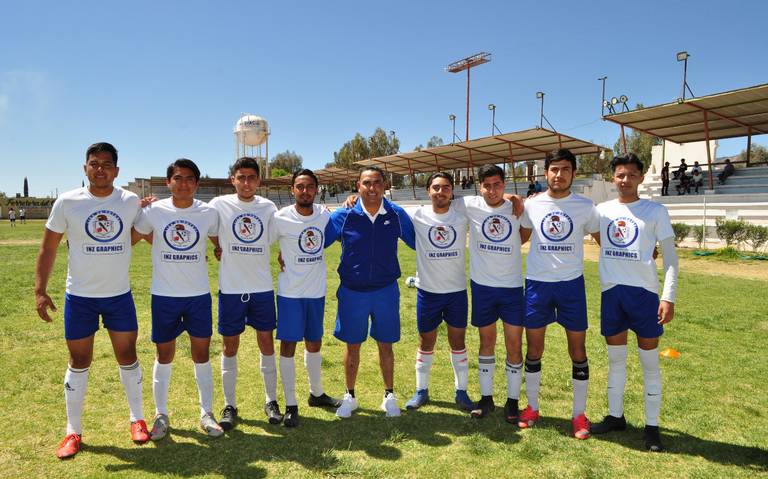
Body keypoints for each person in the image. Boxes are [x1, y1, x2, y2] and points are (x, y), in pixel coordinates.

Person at [35, 142, 149, 459]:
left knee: (127, 353)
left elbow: (141, 232)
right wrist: (40, 289)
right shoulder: (68, 202)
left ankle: (137, 419)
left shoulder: (130, 201)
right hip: (80, 298)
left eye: (107, 164)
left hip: (119, 296)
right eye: (94, 163)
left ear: (117, 170)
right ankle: (73, 432)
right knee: (79, 360)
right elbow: (49, 248)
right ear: (85, 168)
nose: (100, 169)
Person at [590, 153, 678, 452]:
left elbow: (671, 259)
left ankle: (652, 428)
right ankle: (616, 417)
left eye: (630, 175)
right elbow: (576, 217)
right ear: (613, 178)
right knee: (615, 362)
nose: (624, 180)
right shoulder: (601, 210)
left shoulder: (655, 211)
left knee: (649, 364)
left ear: (641, 177)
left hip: (644, 296)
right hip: (612, 293)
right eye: (619, 175)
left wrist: (668, 296)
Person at [133, 158, 223, 440]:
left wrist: (218, 249)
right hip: (165, 295)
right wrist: (134, 209)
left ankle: (206, 413)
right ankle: (161, 414)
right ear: (168, 182)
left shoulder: (208, 213)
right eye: (177, 178)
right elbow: (134, 236)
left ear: (196, 184)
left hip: (197, 295)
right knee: (164, 355)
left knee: (201, 354)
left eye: (189, 179)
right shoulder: (154, 211)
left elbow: (217, 239)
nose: (183, 183)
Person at [518, 148, 600, 440]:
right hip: (538, 285)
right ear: (545, 173)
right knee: (534, 349)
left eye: (565, 169)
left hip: (571, 285)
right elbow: (518, 239)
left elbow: (605, 241)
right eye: (554, 169)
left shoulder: (586, 206)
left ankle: (579, 415)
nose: (559, 174)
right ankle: (533, 407)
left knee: (577, 350)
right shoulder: (533, 205)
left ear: (573, 173)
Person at [324, 166, 415, 418]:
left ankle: (389, 395)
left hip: (385, 291)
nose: (371, 188)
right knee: (352, 346)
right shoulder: (343, 215)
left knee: (386, 345)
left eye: (376, 182)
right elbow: (314, 241)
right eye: (366, 183)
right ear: (358, 186)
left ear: (384, 185)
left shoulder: (396, 214)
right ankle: (349, 396)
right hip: (352, 292)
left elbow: (421, 242)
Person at [208, 156, 283, 429]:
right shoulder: (219, 204)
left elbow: (280, 235)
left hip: (262, 288)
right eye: (241, 177)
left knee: (266, 343)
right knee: (229, 346)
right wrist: (219, 246)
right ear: (233, 180)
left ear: (258, 181)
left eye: (252, 177)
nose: (246, 182)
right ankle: (229, 405)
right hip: (231, 289)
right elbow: (205, 225)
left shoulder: (268, 207)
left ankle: (271, 400)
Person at [399, 172, 475, 412]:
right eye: (436, 187)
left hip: (456, 292)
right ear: (428, 191)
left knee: (458, 341)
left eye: (445, 188)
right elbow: (386, 206)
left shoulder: (462, 214)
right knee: (426, 341)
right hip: (428, 292)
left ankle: (461, 392)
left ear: (452, 191)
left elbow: (491, 200)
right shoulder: (417, 214)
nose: (440, 192)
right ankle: (421, 391)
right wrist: (352, 200)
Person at [272, 169, 342, 427]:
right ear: (292, 190)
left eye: (309, 187)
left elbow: (342, 221)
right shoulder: (280, 218)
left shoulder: (324, 215)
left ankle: (316, 393)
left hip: (316, 292)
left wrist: (349, 200)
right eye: (300, 187)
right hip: (290, 293)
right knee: (288, 346)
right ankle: (291, 403)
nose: (305, 191)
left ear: (316, 189)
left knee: (314, 342)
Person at [459, 165, 526, 421]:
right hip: (482, 287)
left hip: (511, 287)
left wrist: (514, 198)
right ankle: (486, 399)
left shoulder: (517, 208)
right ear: (480, 187)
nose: (492, 190)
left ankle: (512, 402)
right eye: (487, 185)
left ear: (504, 184)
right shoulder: (470, 204)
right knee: (486, 342)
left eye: (497, 185)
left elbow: (525, 234)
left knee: (514, 344)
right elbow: (439, 201)